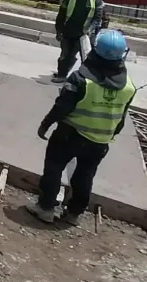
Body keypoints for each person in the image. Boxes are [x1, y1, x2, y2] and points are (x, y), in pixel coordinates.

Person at [30, 30, 135, 226]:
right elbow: (120, 118)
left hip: (69, 135)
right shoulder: (128, 86)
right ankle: (74, 214)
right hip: (99, 143)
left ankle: (45, 209)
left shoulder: (80, 79)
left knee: (54, 168)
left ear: (95, 51)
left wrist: (45, 124)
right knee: (84, 177)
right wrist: (110, 136)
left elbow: (62, 107)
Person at [53, 0, 104, 82]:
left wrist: (90, 30)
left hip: (83, 35)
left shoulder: (96, 1)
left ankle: (85, 79)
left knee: (85, 58)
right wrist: (59, 31)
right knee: (65, 55)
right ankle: (62, 75)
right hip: (68, 32)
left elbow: (97, 19)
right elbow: (61, 16)